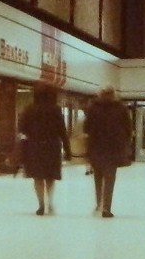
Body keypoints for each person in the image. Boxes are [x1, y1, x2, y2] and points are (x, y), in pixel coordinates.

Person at [19, 84, 71, 215]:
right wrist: (67, 149)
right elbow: (62, 131)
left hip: (34, 146)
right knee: (50, 176)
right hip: (52, 146)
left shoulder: (29, 109)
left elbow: (22, 128)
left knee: (37, 176)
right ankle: (50, 202)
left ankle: (41, 204)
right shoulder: (56, 109)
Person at [83, 87, 132, 218]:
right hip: (113, 148)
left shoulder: (93, 108)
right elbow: (128, 128)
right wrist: (125, 143)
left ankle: (99, 203)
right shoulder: (121, 108)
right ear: (113, 94)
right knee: (110, 178)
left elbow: (86, 127)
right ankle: (106, 208)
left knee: (97, 178)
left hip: (96, 147)